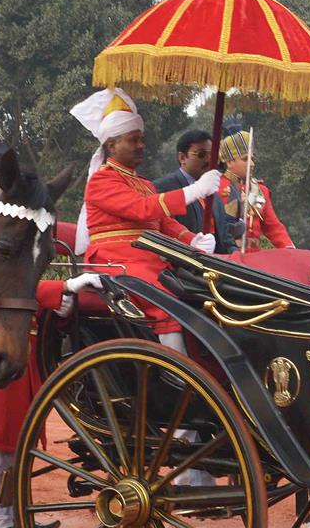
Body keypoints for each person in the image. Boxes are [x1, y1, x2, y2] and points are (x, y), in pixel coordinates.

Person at [0, 272, 103, 528]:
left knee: (16, 452)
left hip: (23, 365)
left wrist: (61, 307)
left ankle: (12, 517)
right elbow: (5, 285)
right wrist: (61, 287)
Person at [72, 87, 220, 339]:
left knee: (201, 289)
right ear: (112, 144)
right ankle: (177, 373)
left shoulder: (145, 183)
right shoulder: (101, 181)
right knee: (166, 304)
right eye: (133, 140)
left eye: (141, 138)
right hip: (115, 260)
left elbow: (162, 222)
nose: (141, 145)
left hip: (147, 259)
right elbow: (141, 209)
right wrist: (194, 190)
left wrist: (192, 240)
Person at [207, 130, 293, 254]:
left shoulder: (260, 190)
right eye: (245, 159)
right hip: (225, 256)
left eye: (253, 158)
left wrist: (289, 250)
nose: (252, 164)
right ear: (229, 162)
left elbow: (273, 227)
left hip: (254, 258)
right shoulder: (215, 187)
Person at [153, 129, 214, 236]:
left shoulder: (213, 191)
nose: (209, 160)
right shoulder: (164, 189)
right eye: (201, 154)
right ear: (182, 158)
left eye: (212, 154)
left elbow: (223, 237)